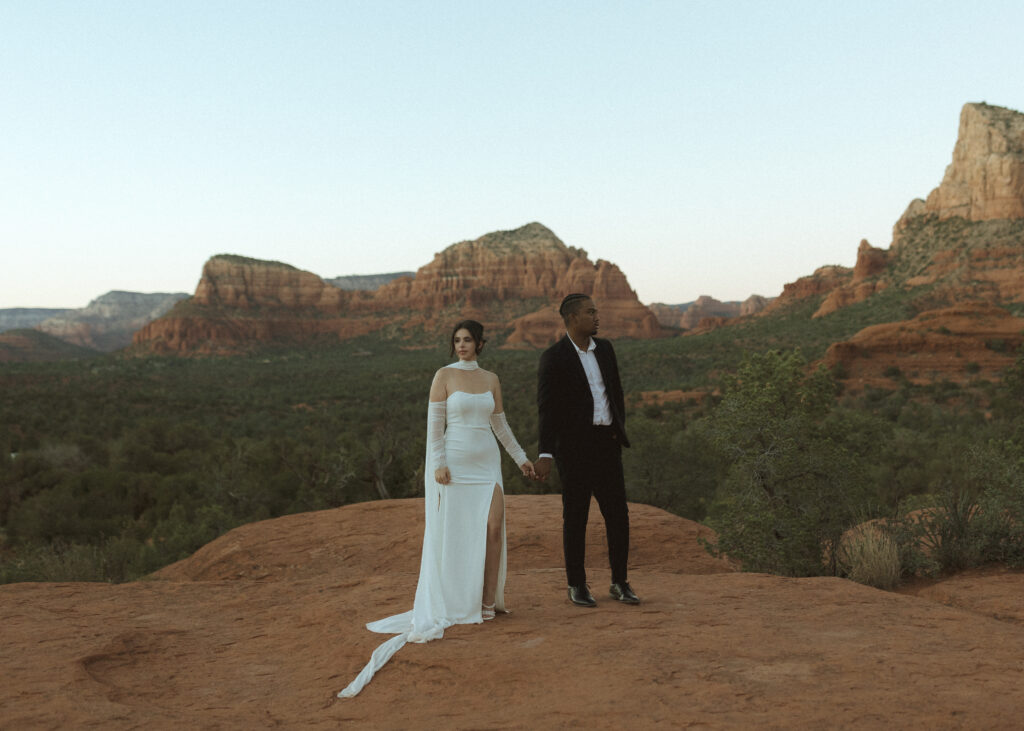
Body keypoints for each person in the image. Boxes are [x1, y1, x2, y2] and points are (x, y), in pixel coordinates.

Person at [339, 320, 534, 698]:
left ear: (480, 343)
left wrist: (522, 459)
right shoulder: (443, 376)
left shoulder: (492, 378)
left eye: (467, 340)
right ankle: (460, 599)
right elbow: (435, 426)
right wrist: (438, 463)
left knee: (494, 527)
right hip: (455, 463)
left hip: (487, 463)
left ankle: (487, 601)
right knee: (458, 532)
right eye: (456, 341)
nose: (461, 346)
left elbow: (501, 426)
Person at [534, 294, 640, 608]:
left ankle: (620, 582)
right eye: (590, 312)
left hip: (607, 445)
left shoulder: (605, 350)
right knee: (576, 517)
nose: (597, 317)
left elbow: (615, 392)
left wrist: (618, 430)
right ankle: (576, 585)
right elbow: (546, 408)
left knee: (618, 516)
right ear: (572, 318)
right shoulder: (553, 357)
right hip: (575, 450)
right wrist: (546, 453)